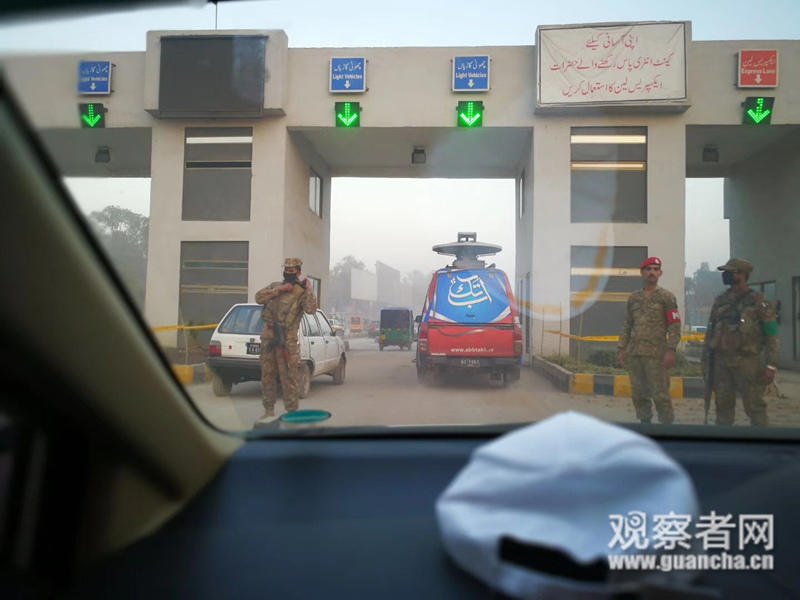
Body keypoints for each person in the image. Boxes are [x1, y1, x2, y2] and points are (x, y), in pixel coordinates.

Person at [704, 258, 778, 426]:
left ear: (742, 274)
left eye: (730, 272)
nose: (725, 275)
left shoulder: (759, 301)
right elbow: (710, 333)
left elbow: (772, 335)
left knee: (755, 407)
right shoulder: (720, 300)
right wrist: (706, 362)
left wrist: (771, 366)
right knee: (722, 407)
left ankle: (761, 439)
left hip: (747, 362)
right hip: (721, 362)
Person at [617, 257, 681, 424]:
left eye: (655, 269)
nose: (652, 272)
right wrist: (622, 348)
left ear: (660, 273)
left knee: (661, 396)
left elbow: (674, 325)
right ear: (642, 272)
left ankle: (666, 428)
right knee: (639, 395)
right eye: (648, 269)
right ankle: (645, 426)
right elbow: (627, 324)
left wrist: (671, 350)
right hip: (635, 355)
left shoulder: (667, 297)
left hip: (657, 356)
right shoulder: (634, 298)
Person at [254, 258, 317, 425]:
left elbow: (311, 310)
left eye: (292, 270)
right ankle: (268, 411)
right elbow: (258, 298)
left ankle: (292, 414)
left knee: (289, 378)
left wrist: (309, 290)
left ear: (298, 272)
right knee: (267, 376)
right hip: (269, 337)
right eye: (286, 269)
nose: (288, 272)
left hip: (287, 341)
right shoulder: (275, 286)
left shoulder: (301, 292)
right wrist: (279, 290)